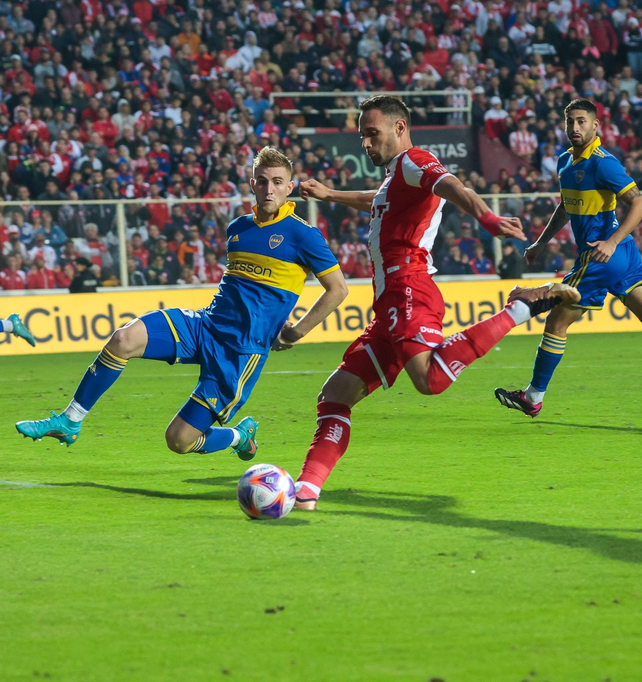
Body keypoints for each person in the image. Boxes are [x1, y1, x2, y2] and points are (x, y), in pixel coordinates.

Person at [292, 95, 580, 510]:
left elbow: (454, 187)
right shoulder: (396, 175)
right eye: (362, 137)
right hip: (387, 304)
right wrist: (331, 195)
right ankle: (305, 490)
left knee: (429, 380)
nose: (366, 144)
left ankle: (524, 306)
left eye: (372, 134)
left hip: (409, 286)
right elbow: (378, 200)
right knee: (335, 395)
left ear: (399, 128)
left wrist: (488, 219)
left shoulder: (416, 161)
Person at [16, 149, 348, 460]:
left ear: (289, 187)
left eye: (277, 182)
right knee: (123, 339)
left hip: (239, 353)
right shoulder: (238, 228)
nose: (269, 189)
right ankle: (70, 420)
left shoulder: (303, 235)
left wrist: (296, 332)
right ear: (252, 184)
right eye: (262, 181)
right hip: (205, 325)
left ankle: (238, 436)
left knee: (178, 440)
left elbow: (338, 289)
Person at [495, 98, 642, 416]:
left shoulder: (603, 163)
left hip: (601, 256)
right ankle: (532, 396)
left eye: (581, 121)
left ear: (595, 125)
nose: (575, 127)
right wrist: (540, 243)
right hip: (623, 255)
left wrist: (612, 242)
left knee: (556, 320)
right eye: (570, 121)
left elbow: (638, 201)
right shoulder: (565, 161)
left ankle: (532, 397)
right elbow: (565, 207)